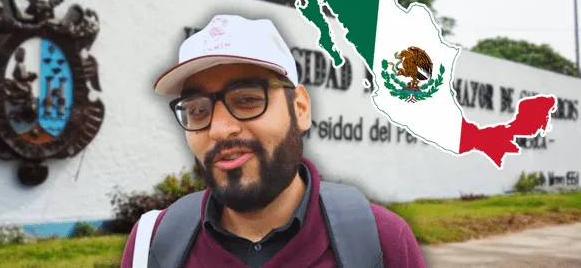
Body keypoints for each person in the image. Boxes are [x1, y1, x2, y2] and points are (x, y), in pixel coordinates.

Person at [120, 14, 427, 268]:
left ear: (300, 109)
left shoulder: (382, 242)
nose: (220, 129)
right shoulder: (153, 245)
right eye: (198, 110)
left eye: (248, 99)